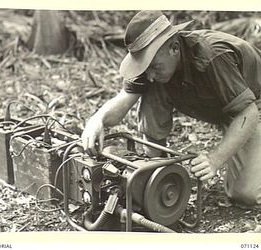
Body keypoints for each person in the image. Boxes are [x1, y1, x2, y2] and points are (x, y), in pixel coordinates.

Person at [81, 10, 261, 206]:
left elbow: (248, 114)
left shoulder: (212, 56)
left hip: (251, 108)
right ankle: (154, 161)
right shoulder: (151, 62)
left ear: (174, 48)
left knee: (246, 194)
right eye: (146, 68)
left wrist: (215, 159)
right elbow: (125, 98)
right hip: (218, 104)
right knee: (152, 86)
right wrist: (97, 119)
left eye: (154, 67)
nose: (149, 75)